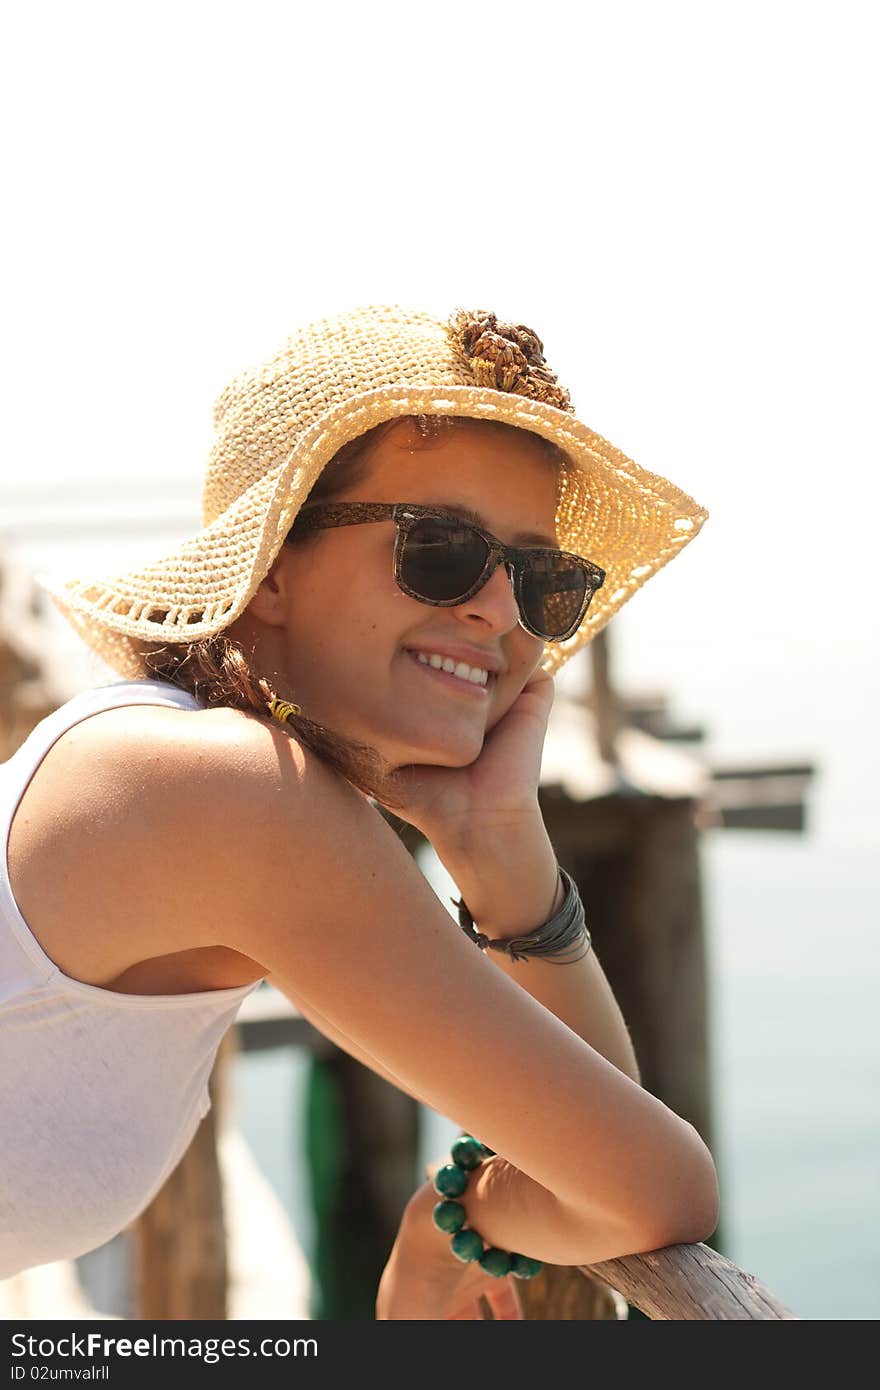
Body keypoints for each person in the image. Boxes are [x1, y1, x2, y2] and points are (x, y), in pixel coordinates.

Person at [0, 303, 717, 1319]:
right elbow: (647, 1183)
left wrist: (496, 839)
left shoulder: (184, 757)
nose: (501, 613)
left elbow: (590, 1138)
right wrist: (467, 1216)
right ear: (275, 564)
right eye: (440, 547)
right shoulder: (235, 793)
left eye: (539, 578)